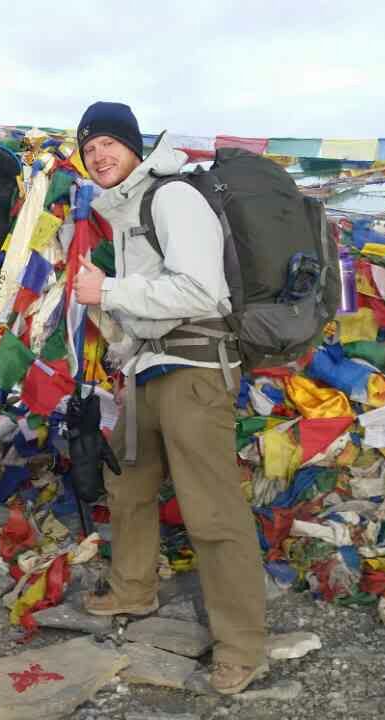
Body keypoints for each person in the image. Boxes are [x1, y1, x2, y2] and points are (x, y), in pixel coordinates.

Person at [71, 102, 268, 695]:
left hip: (196, 367)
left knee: (211, 509)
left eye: (109, 143)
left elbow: (200, 289)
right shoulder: (126, 210)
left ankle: (242, 645)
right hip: (148, 368)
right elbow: (154, 298)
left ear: (134, 147)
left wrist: (105, 287)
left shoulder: (173, 197)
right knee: (128, 484)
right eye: (89, 147)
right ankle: (135, 587)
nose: (99, 155)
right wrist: (123, 343)